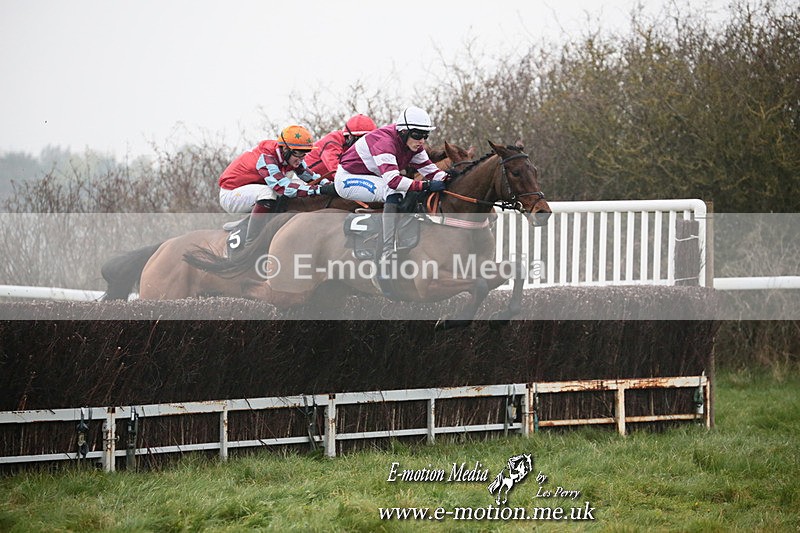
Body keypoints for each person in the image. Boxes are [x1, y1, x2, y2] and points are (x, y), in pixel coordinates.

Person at [334, 106, 447, 264]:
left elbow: (431, 171)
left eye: (425, 135)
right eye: (417, 135)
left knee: (403, 191)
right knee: (393, 190)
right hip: (348, 179)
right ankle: (387, 250)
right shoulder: (385, 143)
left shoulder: (414, 146)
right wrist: (426, 185)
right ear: (403, 132)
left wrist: (449, 178)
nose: (421, 141)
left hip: (372, 176)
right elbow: (393, 181)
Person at [218, 125, 333, 250]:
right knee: (268, 192)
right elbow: (283, 187)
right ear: (285, 149)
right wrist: (319, 190)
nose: (301, 159)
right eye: (299, 153)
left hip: (250, 190)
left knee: (296, 184)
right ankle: (251, 243)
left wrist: (329, 185)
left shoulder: (288, 156)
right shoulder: (267, 157)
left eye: (304, 154)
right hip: (231, 194)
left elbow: (309, 176)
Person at [304, 114, 377, 179]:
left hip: (326, 180)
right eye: (362, 139)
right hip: (306, 178)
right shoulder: (332, 142)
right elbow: (337, 173)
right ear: (350, 137)